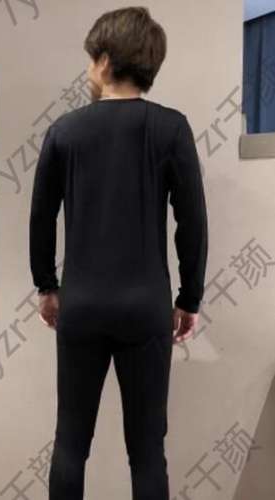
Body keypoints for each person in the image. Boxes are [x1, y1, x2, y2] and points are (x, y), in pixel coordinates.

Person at [29, 6, 208, 500]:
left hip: (81, 306)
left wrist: (47, 286)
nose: (89, 70)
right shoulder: (171, 128)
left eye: (91, 60)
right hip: (146, 308)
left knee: (70, 444)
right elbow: (192, 221)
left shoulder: (64, 131)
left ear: (105, 61)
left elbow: (41, 217)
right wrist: (189, 298)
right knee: (147, 452)